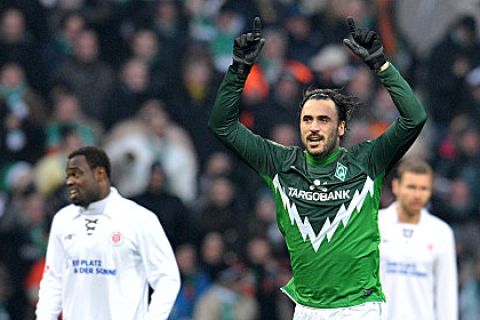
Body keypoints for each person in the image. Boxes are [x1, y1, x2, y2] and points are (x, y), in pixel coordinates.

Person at [208, 16, 427, 318]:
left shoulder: (366, 161)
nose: (313, 127)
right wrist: (238, 71)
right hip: (307, 309)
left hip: (358, 309)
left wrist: (382, 66)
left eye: (323, 119)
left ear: (340, 128)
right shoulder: (280, 163)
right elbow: (221, 125)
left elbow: (414, 118)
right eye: (306, 119)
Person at [35, 146, 180, 320]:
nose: (70, 182)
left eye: (78, 175)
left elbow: (167, 278)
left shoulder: (139, 219)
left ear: (100, 175)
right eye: (69, 176)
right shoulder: (63, 219)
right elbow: (53, 280)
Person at [379, 160, 458, 320]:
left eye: (423, 188)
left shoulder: (441, 232)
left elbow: (446, 292)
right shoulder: (375, 224)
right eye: (411, 187)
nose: (417, 195)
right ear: (396, 186)